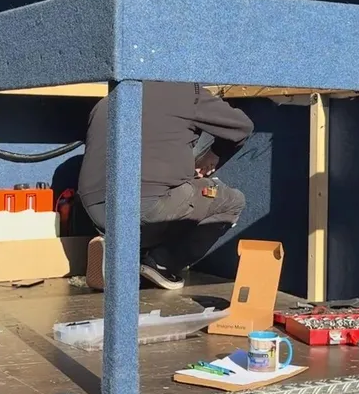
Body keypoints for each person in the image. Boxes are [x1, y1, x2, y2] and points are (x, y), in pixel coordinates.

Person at [76, 82, 254, 290]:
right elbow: (242, 127)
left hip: (95, 210)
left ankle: (117, 250)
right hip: (146, 205)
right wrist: (215, 154)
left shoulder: (109, 100)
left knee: (157, 200)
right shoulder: (186, 92)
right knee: (231, 201)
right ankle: (161, 263)